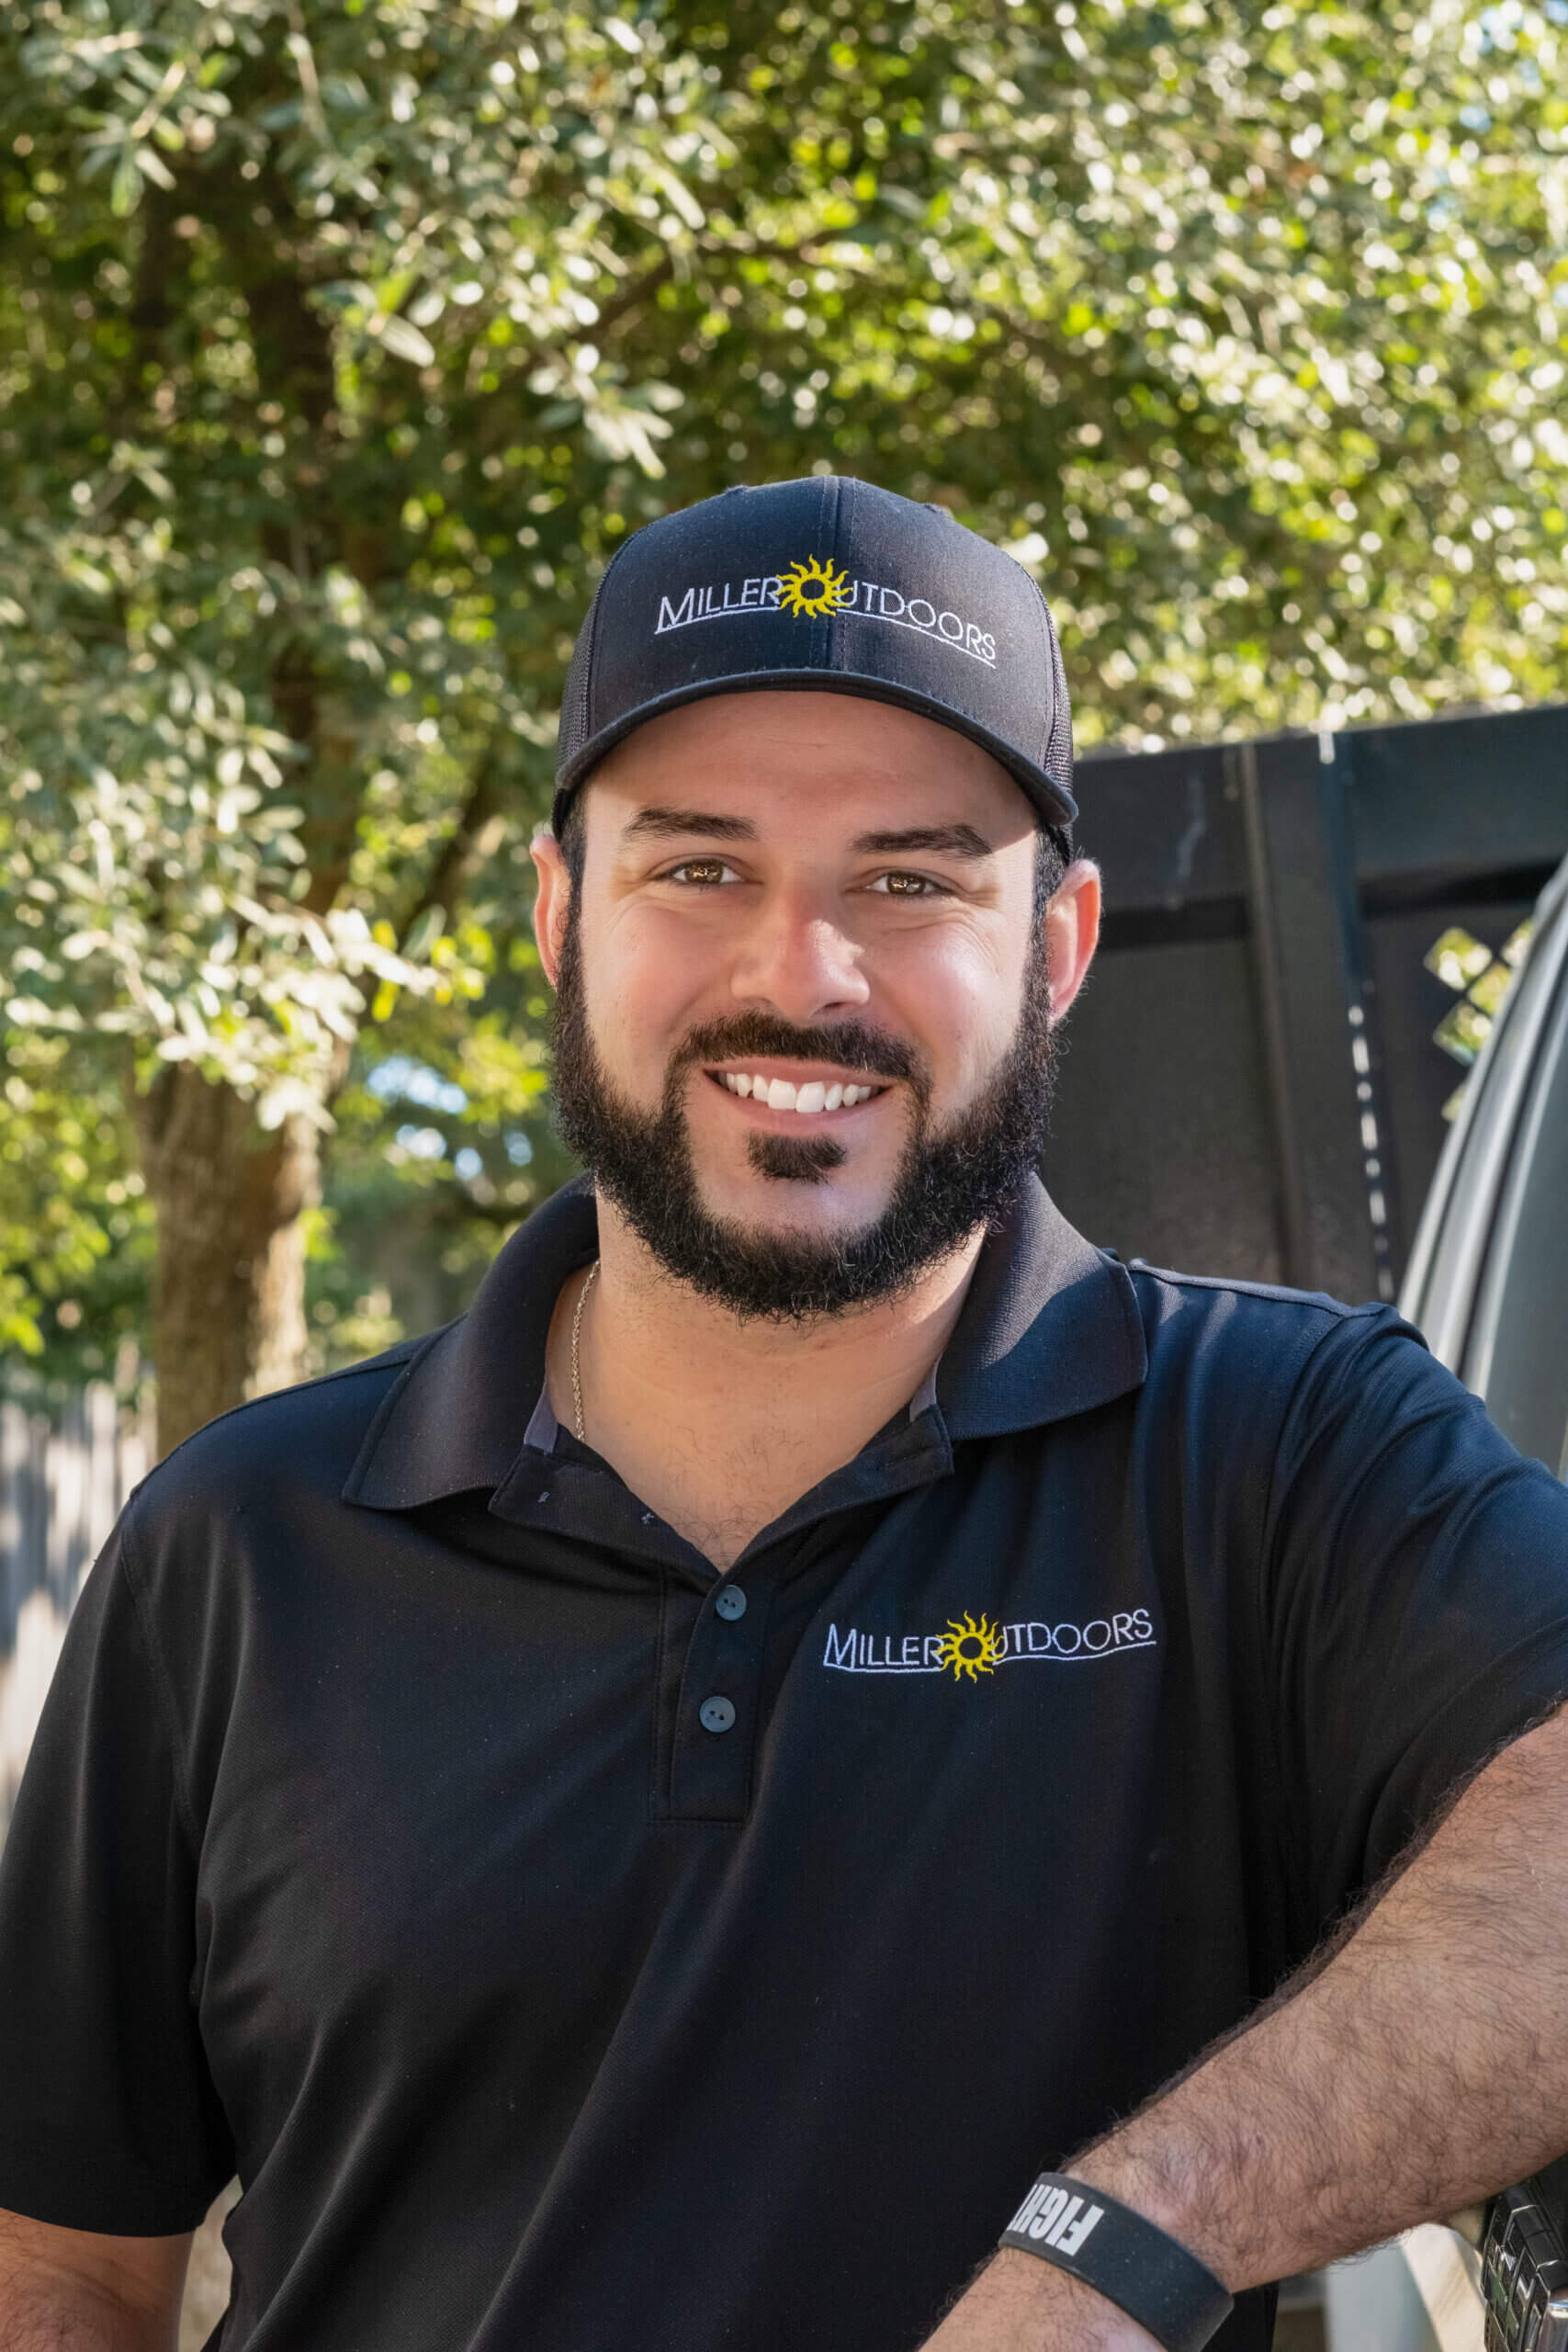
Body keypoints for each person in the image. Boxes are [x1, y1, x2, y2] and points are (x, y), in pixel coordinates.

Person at [1, 476, 1566, 2352]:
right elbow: (61, 2264)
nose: (798, 973)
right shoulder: (241, 1540)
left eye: (907, 877)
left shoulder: (1280, 1452)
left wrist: (1128, 2230)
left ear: (1055, 945)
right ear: (559, 912)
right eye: (697, 866)